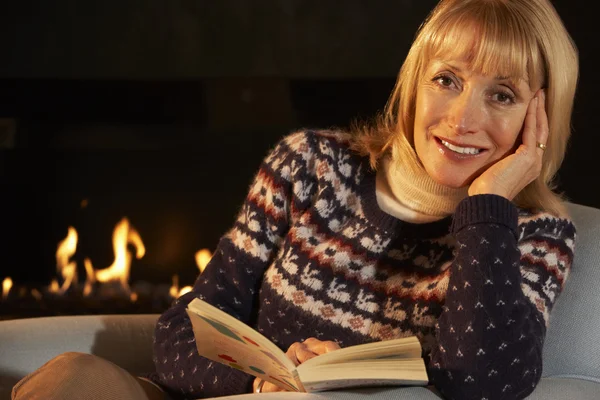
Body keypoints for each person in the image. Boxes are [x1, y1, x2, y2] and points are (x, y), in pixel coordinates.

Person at [11, 0, 578, 399]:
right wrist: (260, 383)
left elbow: (483, 384)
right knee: (73, 379)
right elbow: (183, 330)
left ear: (541, 120)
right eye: (446, 80)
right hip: (228, 395)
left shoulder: (532, 236)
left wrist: (487, 212)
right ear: (414, 82)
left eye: (501, 94)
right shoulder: (310, 165)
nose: (462, 119)